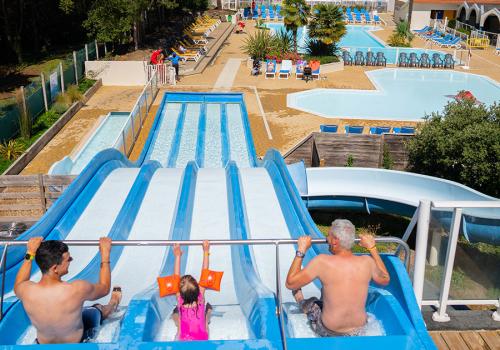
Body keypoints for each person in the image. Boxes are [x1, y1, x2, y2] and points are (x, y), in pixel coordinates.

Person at [285, 219, 390, 337]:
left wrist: (301, 250)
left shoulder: (322, 262)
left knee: (314, 304)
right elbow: (385, 279)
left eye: (328, 236)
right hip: (360, 330)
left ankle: (300, 299)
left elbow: (290, 283)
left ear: (335, 241)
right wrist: (372, 248)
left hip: (329, 331)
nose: (326, 239)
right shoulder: (367, 262)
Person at [14, 237, 122, 344]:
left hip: (42, 344)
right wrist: (105, 254)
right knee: (96, 308)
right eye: (68, 259)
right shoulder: (77, 289)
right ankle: (113, 303)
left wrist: (30, 252)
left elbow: (19, 282)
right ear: (55, 268)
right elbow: (105, 288)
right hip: (78, 343)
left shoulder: (25, 290)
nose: (71, 260)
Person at [171, 241, 213, 341]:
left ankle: (178, 324)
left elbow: (176, 277)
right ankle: (208, 315)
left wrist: (178, 256)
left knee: (176, 317)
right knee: (205, 322)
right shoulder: (200, 298)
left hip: (184, 339)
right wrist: (206, 251)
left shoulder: (179, 300)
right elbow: (205, 271)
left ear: (180, 292)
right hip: (203, 338)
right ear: (198, 288)